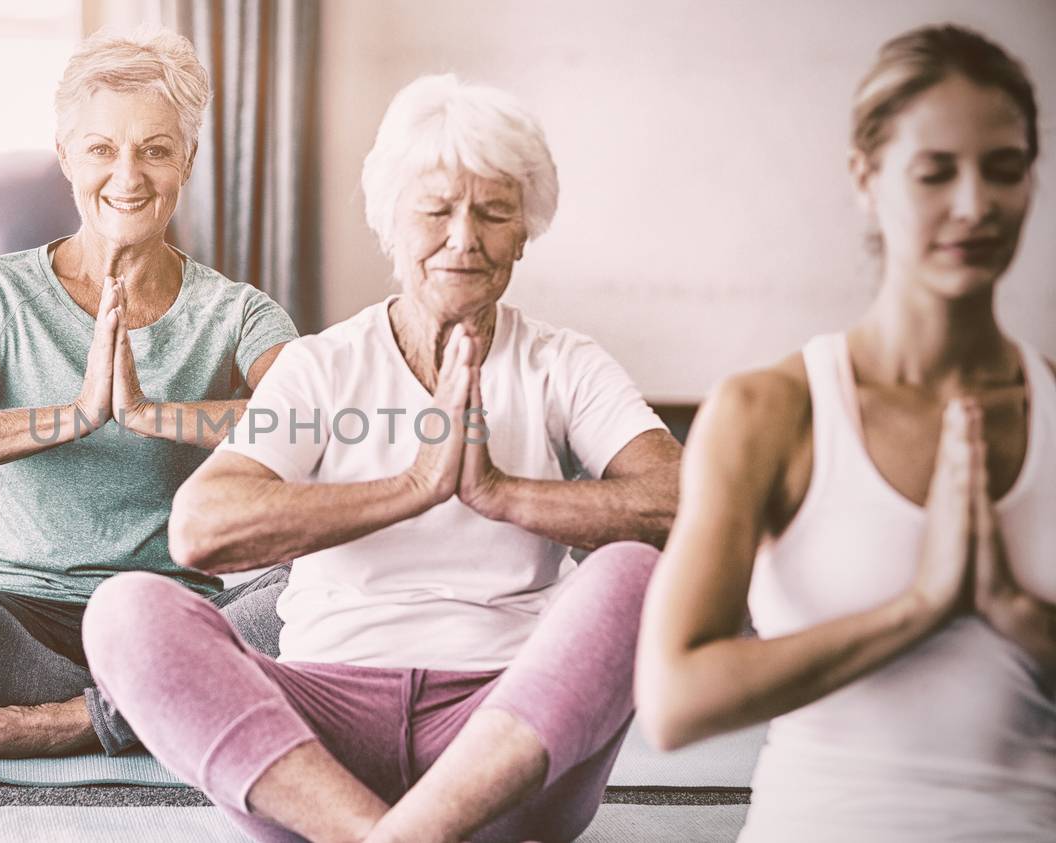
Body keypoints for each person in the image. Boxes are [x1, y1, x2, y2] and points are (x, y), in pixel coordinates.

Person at [83, 74, 684, 843]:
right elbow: (201, 529)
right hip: (321, 742)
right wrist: (412, 487)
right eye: (436, 211)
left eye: (494, 212)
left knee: (638, 573)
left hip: (503, 734)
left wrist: (497, 492)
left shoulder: (564, 363)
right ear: (391, 224)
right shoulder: (324, 366)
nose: (464, 238)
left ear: (523, 233)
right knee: (127, 611)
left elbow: (677, 500)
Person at [0, 30, 298, 762]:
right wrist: (72, 416)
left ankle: (57, 721)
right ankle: (141, 706)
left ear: (188, 161)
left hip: (167, 615)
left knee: (320, 586)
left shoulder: (240, 312)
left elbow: (317, 428)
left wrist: (152, 415)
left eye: (156, 150)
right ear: (65, 156)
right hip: (9, 614)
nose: (127, 176)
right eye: (101, 148)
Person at [635, 24, 1056, 842]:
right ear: (866, 178)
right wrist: (919, 607)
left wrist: (1011, 609)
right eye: (936, 173)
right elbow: (674, 699)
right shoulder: (770, 410)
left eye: (1004, 170)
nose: (975, 204)